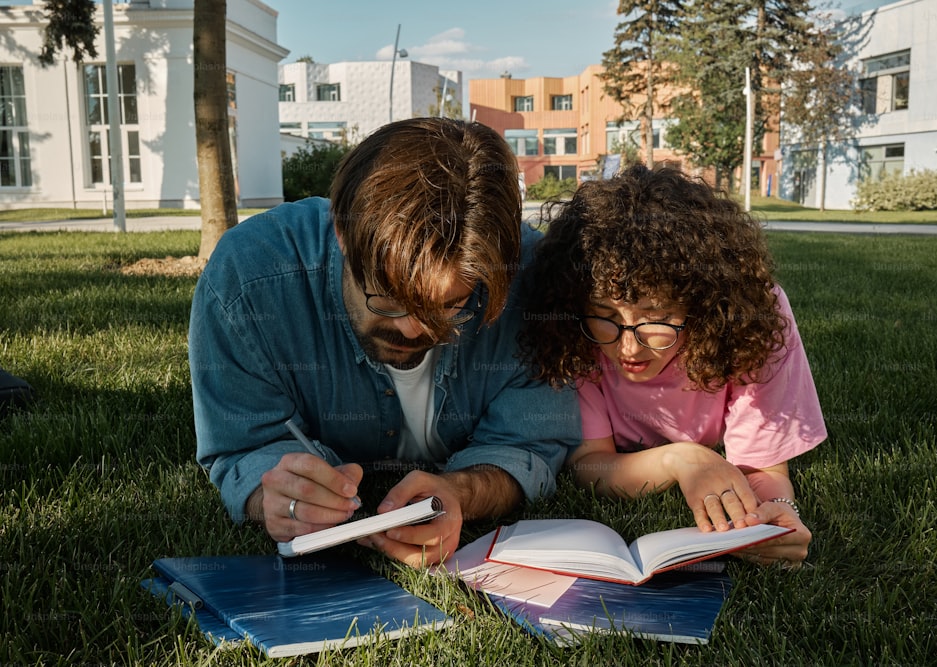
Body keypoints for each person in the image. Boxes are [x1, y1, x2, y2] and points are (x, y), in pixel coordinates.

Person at [189, 118, 580, 567]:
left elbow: (531, 445)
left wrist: (462, 492)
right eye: (389, 300)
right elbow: (244, 444)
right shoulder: (248, 282)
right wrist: (272, 493)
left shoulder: (534, 283)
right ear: (341, 233)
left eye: (451, 305)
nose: (414, 331)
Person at [519, 164, 826, 565]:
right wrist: (681, 459)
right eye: (605, 313)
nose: (627, 345)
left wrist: (778, 512)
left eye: (654, 315)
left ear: (700, 304)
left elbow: (762, 467)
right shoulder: (576, 330)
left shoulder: (754, 320)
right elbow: (589, 465)